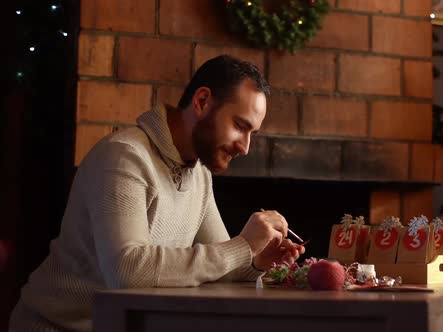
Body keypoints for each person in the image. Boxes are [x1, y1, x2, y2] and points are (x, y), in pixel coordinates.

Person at [9, 55, 305, 331]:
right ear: (202, 101)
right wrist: (242, 246)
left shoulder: (198, 173)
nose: (245, 147)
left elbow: (219, 265)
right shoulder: (124, 156)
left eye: (252, 133)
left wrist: (255, 260)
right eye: (240, 126)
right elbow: (126, 272)